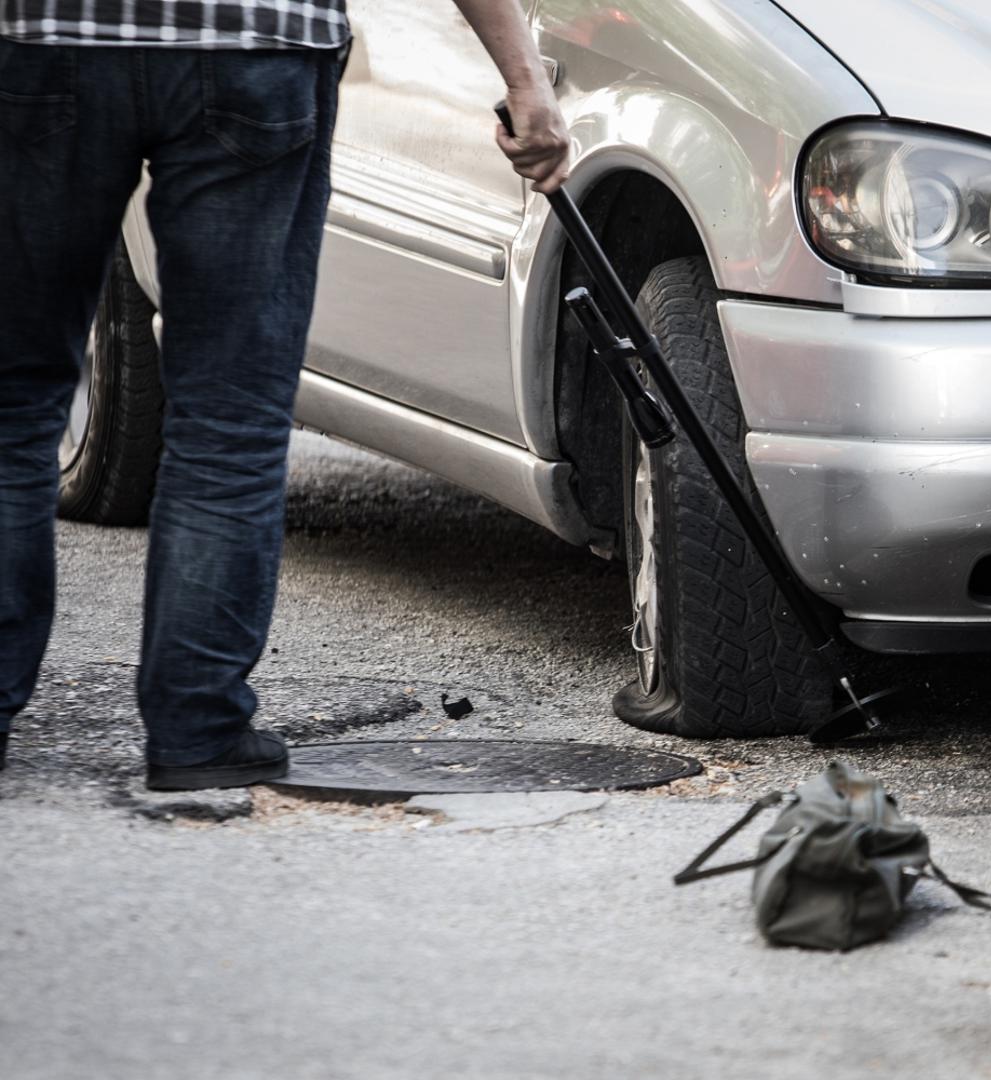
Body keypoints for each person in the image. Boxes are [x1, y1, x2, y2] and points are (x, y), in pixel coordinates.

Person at [0, 0, 572, 789]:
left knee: (15, 403)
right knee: (228, 414)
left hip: (49, 39)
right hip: (255, 47)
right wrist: (525, 80)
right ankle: (197, 731)